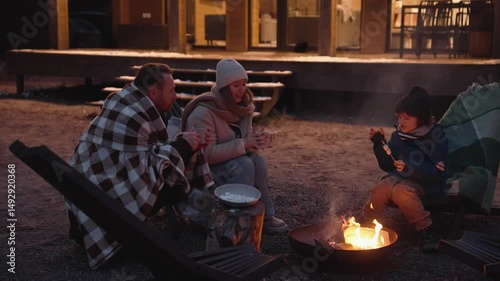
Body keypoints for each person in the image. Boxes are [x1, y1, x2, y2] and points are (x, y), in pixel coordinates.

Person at [67, 63, 214, 269]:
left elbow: (149, 150)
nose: (175, 96)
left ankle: (197, 212)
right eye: (171, 91)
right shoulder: (131, 115)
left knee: (183, 152)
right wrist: (185, 144)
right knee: (175, 165)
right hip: (103, 190)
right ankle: (198, 214)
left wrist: (186, 141)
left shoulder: (128, 99)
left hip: (86, 183)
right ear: (153, 92)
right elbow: (147, 167)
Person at [180, 58, 289, 234]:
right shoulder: (204, 111)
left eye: (244, 83)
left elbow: (245, 143)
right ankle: (235, 222)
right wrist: (245, 144)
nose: (242, 89)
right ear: (224, 88)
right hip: (203, 173)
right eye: (236, 85)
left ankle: (266, 216)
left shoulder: (243, 108)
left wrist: (257, 141)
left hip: (230, 163)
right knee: (243, 164)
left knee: (257, 161)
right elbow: (206, 154)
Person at [361, 86, 449, 253]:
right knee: (380, 189)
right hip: (401, 177)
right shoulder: (399, 135)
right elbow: (387, 165)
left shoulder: (436, 136)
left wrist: (411, 168)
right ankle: (365, 224)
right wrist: (379, 145)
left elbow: (438, 171)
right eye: (399, 117)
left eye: (407, 118)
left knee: (402, 192)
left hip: (427, 184)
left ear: (421, 118)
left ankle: (426, 231)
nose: (401, 122)